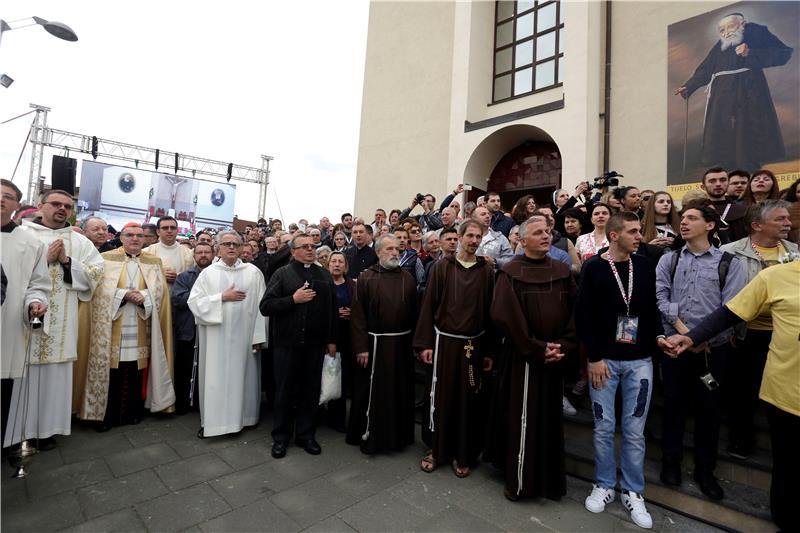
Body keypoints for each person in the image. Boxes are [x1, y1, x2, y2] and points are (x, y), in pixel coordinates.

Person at [666, 258, 799, 533]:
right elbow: (729, 313)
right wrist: (691, 337)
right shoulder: (776, 276)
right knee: (788, 470)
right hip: (786, 396)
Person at [576, 212, 673, 530]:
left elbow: (650, 308)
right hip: (604, 361)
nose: (639, 237)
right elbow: (584, 316)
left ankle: (633, 490)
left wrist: (659, 335)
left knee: (634, 431)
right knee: (604, 428)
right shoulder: (593, 268)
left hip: (640, 361)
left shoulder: (644, 266)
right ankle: (604, 484)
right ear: (614, 235)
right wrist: (594, 357)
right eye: (632, 232)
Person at [654, 205, 745, 500]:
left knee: (709, 411)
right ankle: (671, 463)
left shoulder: (729, 263)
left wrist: (699, 339)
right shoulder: (670, 259)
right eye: (683, 219)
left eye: (692, 218)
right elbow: (661, 296)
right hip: (674, 349)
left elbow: (731, 308)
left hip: (712, 350)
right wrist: (684, 334)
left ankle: (705, 470)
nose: (684, 223)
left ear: (710, 225)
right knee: (673, 406)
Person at [4, 190, 104, 449]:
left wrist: (67, 262)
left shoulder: (79, 242)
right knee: (18, 375)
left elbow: (96, 273)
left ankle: (44, 430)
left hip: (60, 324)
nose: (62, 209)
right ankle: (13, 434)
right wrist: (45, 260)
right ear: (40, 205)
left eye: (67, 206)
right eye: (56, 204)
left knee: (51, 377)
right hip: (21, 320)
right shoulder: (22, 236)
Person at [490, 216, 577, 501]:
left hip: (554, 358)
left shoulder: (563, 270)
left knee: (550, 421)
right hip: (523, 359)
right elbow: (505, 316)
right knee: (523, 419)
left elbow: (575, 313)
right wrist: (537, 347)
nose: (546, 236)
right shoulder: (511, 271)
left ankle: (548, 481)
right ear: (522, 240)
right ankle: (521, 482)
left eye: (548, 232)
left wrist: (563, 344)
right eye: (538, 232)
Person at [415, 220, 496, 478]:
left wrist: (490, 351)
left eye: (478, 236)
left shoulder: (486, 271)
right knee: (441, 396)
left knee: (467, 399)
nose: (473, 240)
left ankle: (464, 453)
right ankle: (437, 450)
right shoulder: (442, 267)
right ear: (459, 237)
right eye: (469, 235)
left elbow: (490, 312)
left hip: (473, 347)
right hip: (444, 344)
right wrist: (425, 343)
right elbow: (429, 305)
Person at [76, 223, 174, 431]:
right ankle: (105, 415)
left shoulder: (154, 261)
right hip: (111, 325)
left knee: (136, 369)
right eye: (130, 235)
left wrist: (144, 296)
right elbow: (98, 291)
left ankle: (132, 411)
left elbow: (160, 291)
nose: (135, 239)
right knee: (112, 369)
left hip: (140, 323)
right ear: (121, 237)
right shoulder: (105, 259)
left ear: (145, 239)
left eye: (140, 235)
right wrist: (122, 295)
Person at [719, 200, 797, 460]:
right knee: (743, 390)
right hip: (745, 332)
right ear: (757, 225)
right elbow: (722, 295)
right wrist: (726, 329)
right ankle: (741, 439)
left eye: (788, 218)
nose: (787, 223)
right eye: (780, 219)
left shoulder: (795, 252)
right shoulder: (731, 252)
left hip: (784, 336)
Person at [675, 13, 793, 171]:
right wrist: (689, 86)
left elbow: (783, 53)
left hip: (747, 90)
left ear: (743, 24)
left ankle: (748, 166)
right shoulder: (721, 45)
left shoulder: (755, 32)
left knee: (745, 127)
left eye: (730, 26)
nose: (726, 32)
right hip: (721, 94)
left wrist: (750, 53)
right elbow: (706, 68)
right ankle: (727, 165)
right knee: (722, 128)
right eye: (721, 30)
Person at [260, 233, 338, 458]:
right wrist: (293, 300)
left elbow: (332, 310)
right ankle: (281, 437)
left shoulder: (323, 275)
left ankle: (306, 435)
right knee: (284, 392)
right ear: (293, 252)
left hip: (314, 345)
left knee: (309, 391)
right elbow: (266, 306)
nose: (310, 250)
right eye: (304, 247)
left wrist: (332, 340)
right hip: (286, 344)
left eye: (312, 246)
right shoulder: (282, 274)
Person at [188, 231, 266, 438]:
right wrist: (221, 297)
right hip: (216, 339)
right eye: (226, 244)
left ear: (242, 248)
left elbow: (262, 307)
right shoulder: (208, 273)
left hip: (245, 338)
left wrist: (259, 337)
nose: (231, 247)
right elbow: (194, 302)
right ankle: (215, 424)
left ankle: (245, 419)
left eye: (235, 244)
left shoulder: (253, 272)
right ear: (218, 248)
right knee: (215, 379)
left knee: (245, 377)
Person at [348, 234, 418, 454]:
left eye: (397, 249)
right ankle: (372, 436)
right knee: (372, 393)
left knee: (398, 392)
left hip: (401, 346)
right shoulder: (367, 278)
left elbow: (415, 313)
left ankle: (398, 437)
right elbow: (357, 316)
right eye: (389, 249)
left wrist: (416, 343)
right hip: (375, 345)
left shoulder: (408, 278)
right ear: (378, 252)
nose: (395, 253)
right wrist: (361, 347)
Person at [0, 179, 50, 446]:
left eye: (7, 196)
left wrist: (35, 302)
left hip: (7, 328)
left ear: (16, 205)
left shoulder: (31, 243)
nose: (1, 199)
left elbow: (38, 284)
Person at [170, 243, 215, 415]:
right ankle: (183, 403)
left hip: (211, 329)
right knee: (184, 369)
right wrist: (209, 298)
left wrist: (201, 300)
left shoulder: (218, 275)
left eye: (207, 252)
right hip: (188, 330)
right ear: (194, 256)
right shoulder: (184, 277)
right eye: (200, 252)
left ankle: (202, 403)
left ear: (213, 254)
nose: (203, 255)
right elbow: (179, 299)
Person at [323, 251, 354, 432]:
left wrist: (352, 313)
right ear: (328, 265)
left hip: (347, 337)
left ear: (345, 266)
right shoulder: (323, 284)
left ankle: (338, 419)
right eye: (333, 261)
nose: (336, 264)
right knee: (326, 375)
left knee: (341, 378)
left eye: (340, 262)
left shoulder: (352, 286)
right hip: (328, 337)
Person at [698, 167, 747, 243]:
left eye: (723, 180)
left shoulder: (743, 211)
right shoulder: (696, 210)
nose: (718, 184)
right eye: (712, 181)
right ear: (703, 187)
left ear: (728, 183)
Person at [144, 216, 195, 290]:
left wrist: (179, 277)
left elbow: (193, 278)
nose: (169, 230)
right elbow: (140, 277)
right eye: (165, 228)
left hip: (177, 297)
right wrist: (159, 275)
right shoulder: (146, 252)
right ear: (158, 232)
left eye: (173, 228)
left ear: (177, 231)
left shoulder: (189, 253)